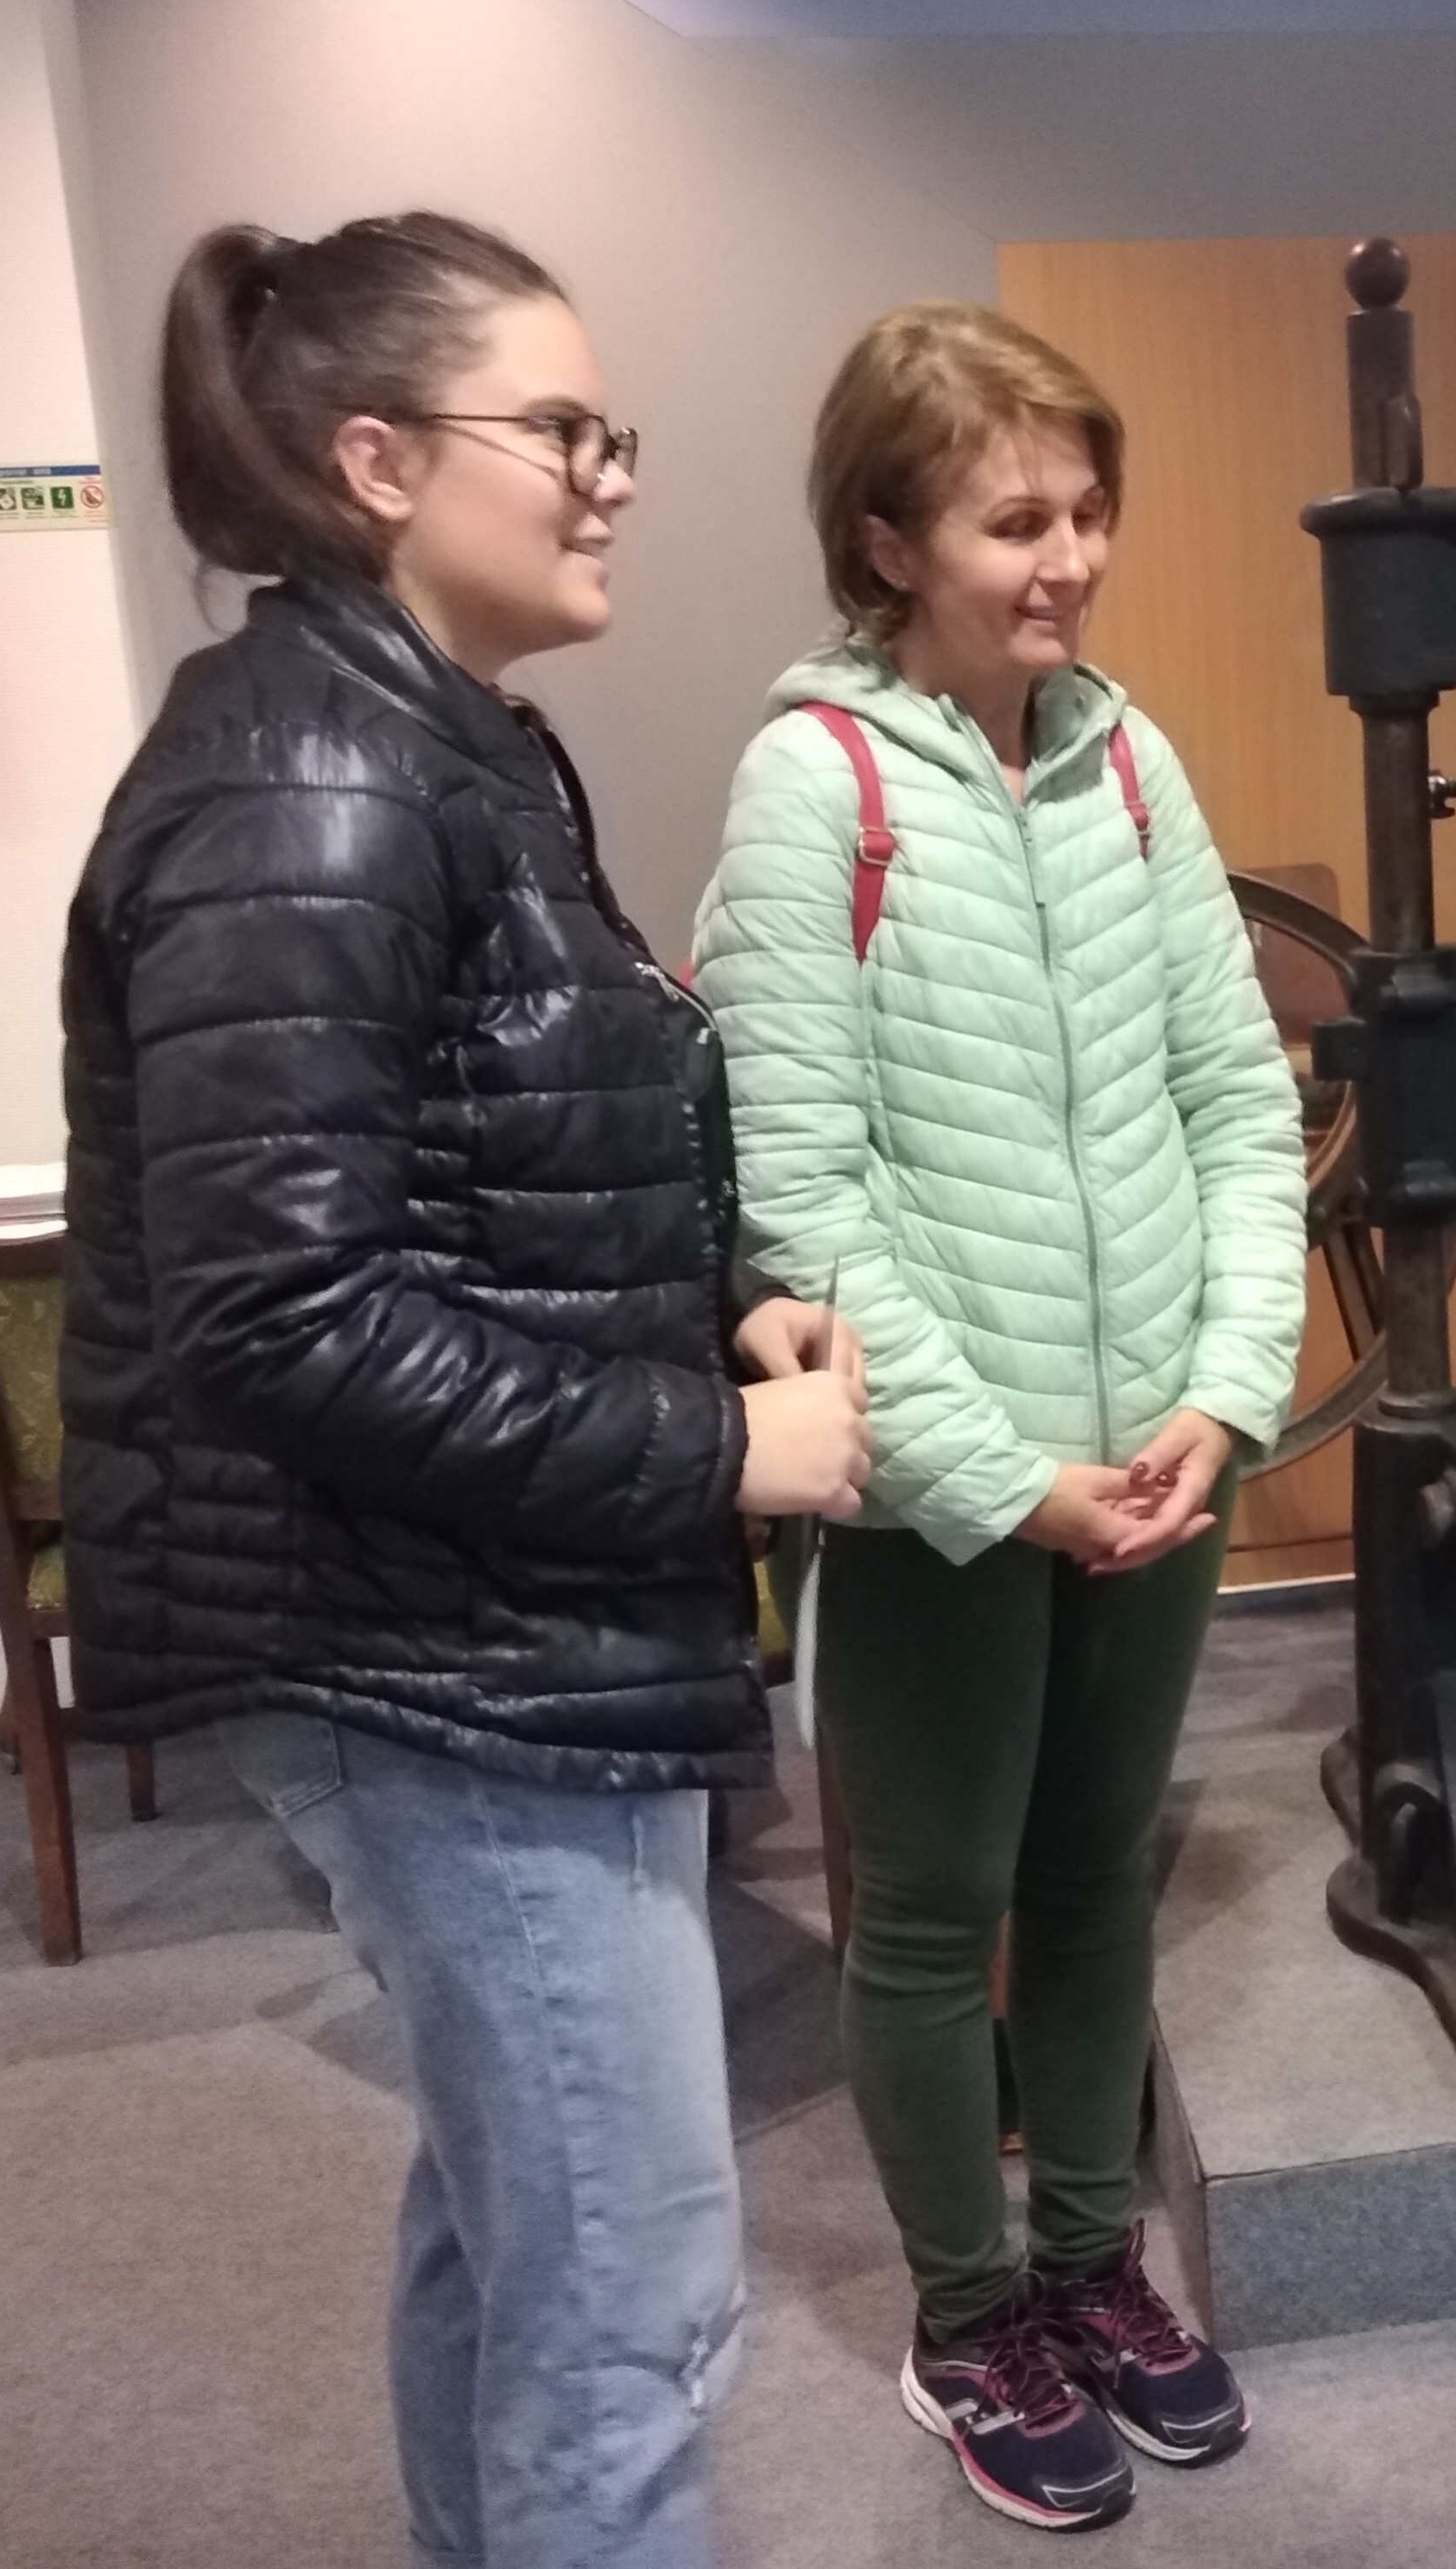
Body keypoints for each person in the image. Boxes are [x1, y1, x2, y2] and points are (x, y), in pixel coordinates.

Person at [60, 211, 871, 2569]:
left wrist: (708, 1313)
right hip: (426, 1653)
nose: (612, 476)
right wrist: (720, 1450)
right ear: (378, 461)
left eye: (615, 433)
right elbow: (281, 1317)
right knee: (628, 2304)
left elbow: (479, 1182)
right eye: (565, 431)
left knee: (523, 2223)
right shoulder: (311, 786)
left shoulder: (436, 740)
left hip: (487, 1621)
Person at [697, 302, 1303, 2534]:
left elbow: (1238, 1097)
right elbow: (807, 1196)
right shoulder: (816, 785)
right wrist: (999, 1476)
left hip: (1155, 1462)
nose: (1069, 561)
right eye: (1012, 521)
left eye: (1087, 512)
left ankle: (1092, 2269)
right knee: (940, 1915)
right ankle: (970, 2323)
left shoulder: (1132, 764)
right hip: (946, 1486)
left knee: (1097, 1875)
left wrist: (1224, 1396)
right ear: (888, 540)